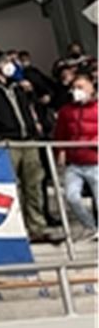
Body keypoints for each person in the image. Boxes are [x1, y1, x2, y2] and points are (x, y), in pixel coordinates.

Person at [0, 54, 55, 243]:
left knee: (34, 184)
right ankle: (17, 227)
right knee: (13, 186)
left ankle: (37, 226)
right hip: (7, 142)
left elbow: (32, 107)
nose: (10, 66)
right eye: (5, 62)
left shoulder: (17, 87)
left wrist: (30, 95)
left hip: (28, 140)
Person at [53, 74, 98, 240]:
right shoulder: (66, 111)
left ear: (91, 87)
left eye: (81, 87)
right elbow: (60, 134)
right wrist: (60, 152)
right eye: (74, 87)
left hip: (95, 161)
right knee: (71, 197)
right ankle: (90, 227)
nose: (77, 91)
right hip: (75, 163)